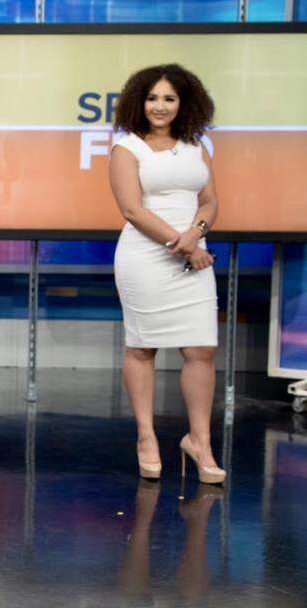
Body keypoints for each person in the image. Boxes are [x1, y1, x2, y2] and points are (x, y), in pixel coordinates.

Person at [108, 63, 223, 485]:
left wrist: (196, 235)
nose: (160, 106)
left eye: (169, 98)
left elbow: (210, 201)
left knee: (201, 351)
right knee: (143, 347)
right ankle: (146, 438)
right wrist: (183, 244)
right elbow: (132, 210)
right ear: (140, 102)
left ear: (183, 103)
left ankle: (200, 441)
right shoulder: (128, 148)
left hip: (194, 252)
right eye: (153, 98)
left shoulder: (197, 145)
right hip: (146, 257)